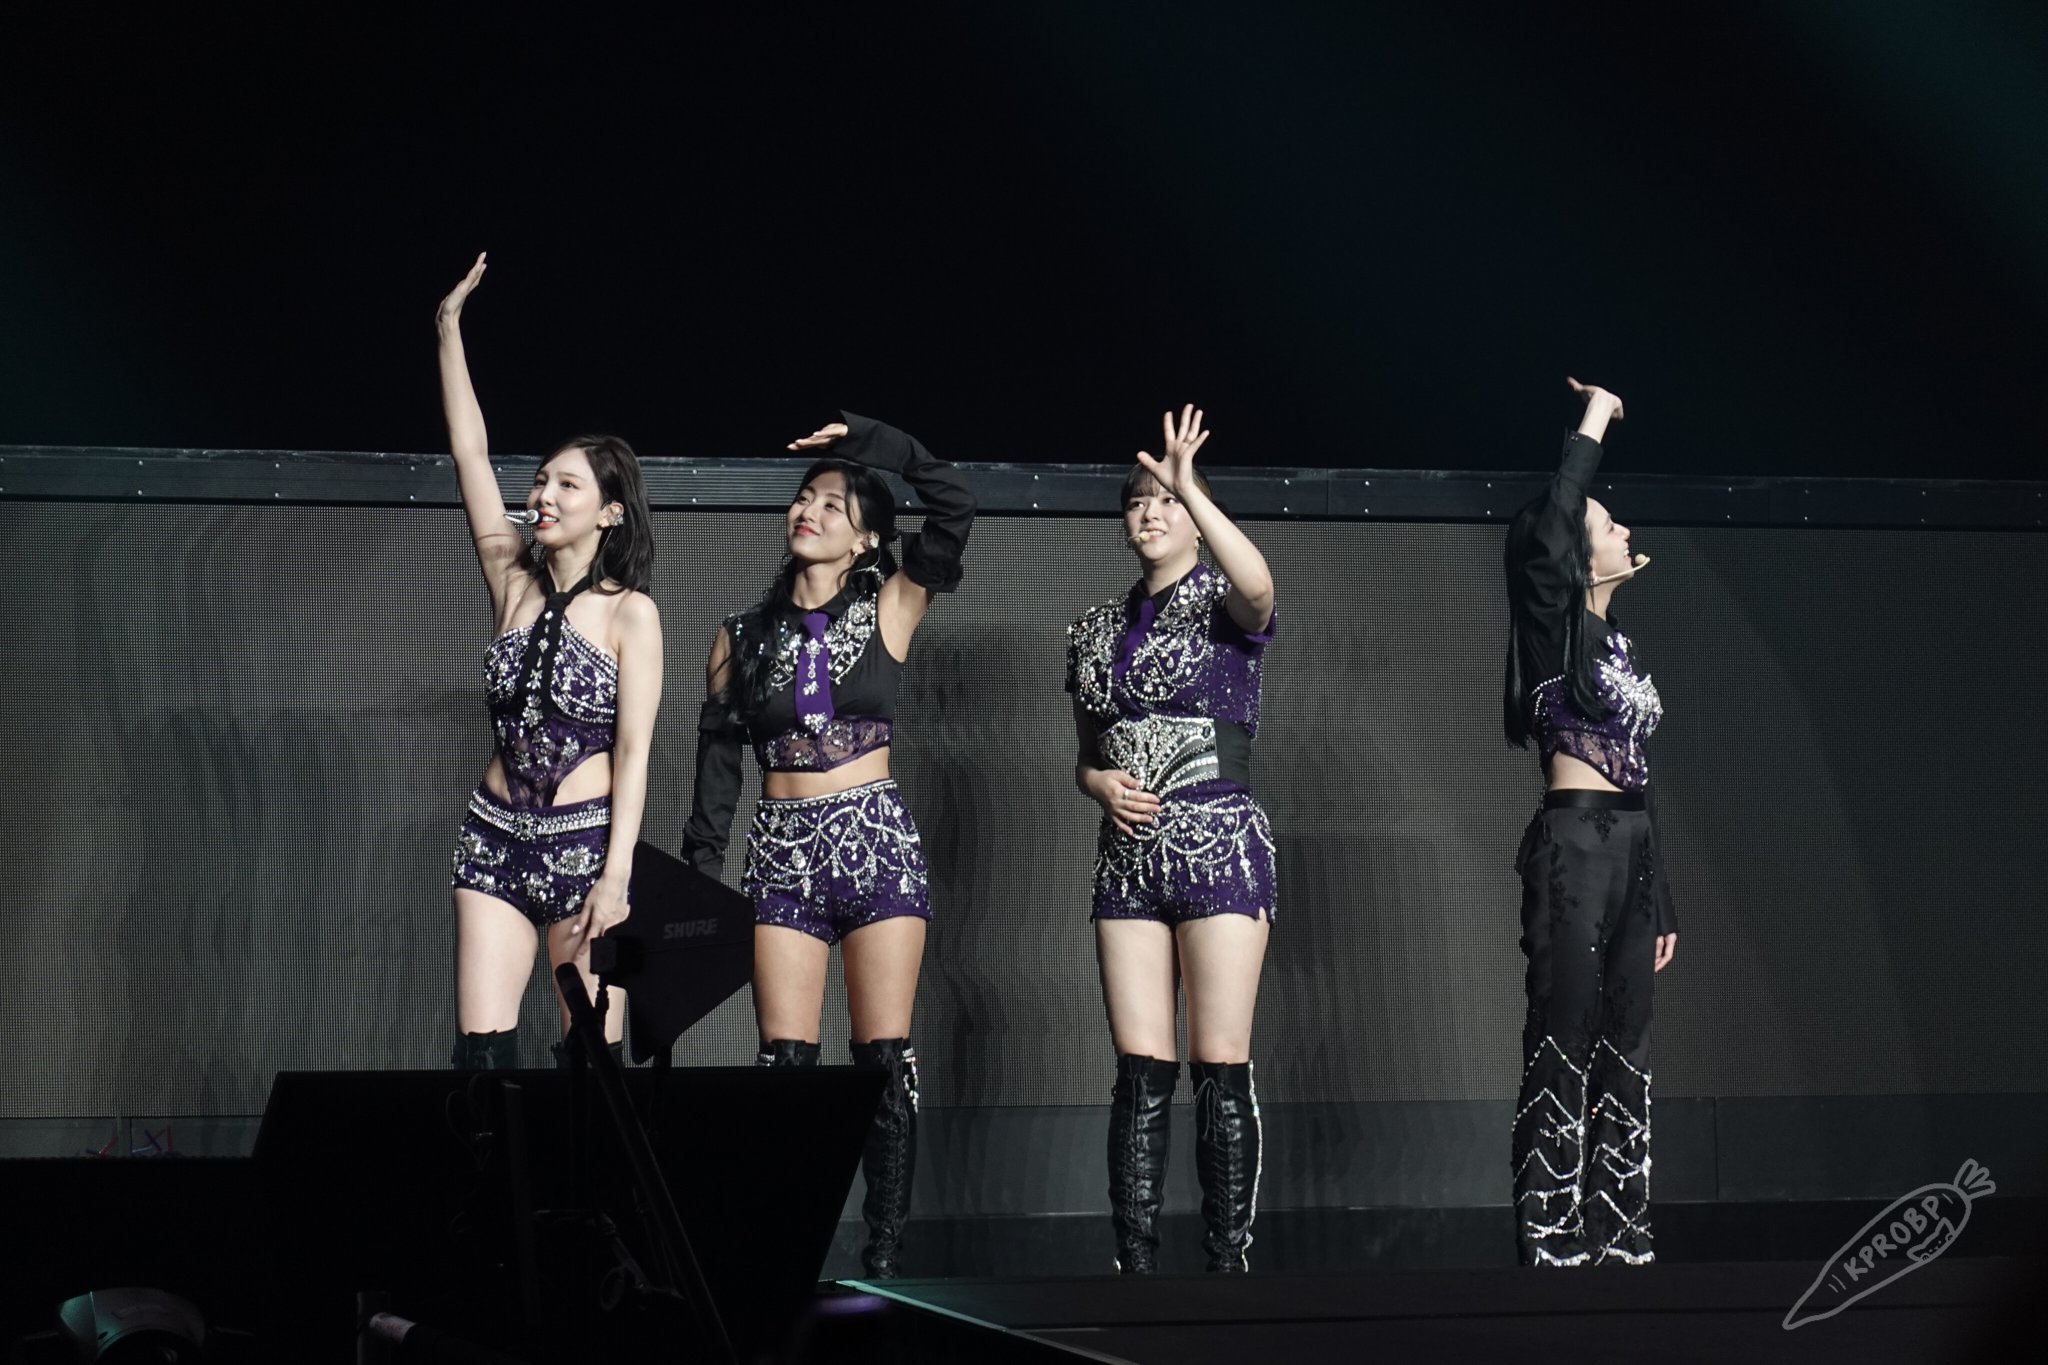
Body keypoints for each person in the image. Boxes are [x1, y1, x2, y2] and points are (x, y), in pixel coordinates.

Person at [681, 414, 974, 1278]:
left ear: (867, 537)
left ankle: (884, 1259)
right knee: (785, 1066)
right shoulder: (739, 635)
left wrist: (872, 443)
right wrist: (700, 881)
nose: (809, 509)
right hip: (783, 853)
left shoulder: (893, 603)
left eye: (833, 504)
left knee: (882, 1058)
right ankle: (787, 1258)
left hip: (873, 842)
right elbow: (716, 772)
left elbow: (955, 506)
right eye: (805, 498)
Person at [437, 253, 663, 1070]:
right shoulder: (512, 580)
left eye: (567, 485)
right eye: (540, 481)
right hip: (494, 838)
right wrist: (448, 328)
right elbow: (470, 453)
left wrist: (617, 875)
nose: (544, 495)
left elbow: (634, 753)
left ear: (608, 512)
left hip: (585, 847)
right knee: (482, 1062)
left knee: (592, 1068)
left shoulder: (631, 614)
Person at [1066, 406, 1278, 1274]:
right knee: (1139, 1068)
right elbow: (1088, 754)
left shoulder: (1223, 604)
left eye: (1166, 500)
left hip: (1218, 846)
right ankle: (1137, 1270)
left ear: (1195, 517)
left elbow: (1260, 587)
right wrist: (1098, 784)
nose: (1149, 511)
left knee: (1218, 1064)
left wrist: (1193, 484)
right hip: (1128, 860)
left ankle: (1226, 1269)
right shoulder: (1093, 628)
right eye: (1137, 500)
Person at [1502, 377, 1680, 1266]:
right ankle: (1551, 1232)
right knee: (1565, 1027)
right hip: (1573, 847)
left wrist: (1663, 895)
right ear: (1573, 549)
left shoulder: (1620, 646)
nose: (1622, 530)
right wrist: (1599, 414)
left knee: (1629, 1035)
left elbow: (1639, 771)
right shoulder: (1551, 627)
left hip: (1632, 850)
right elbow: (1553, 520)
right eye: (1606, 523)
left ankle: (1621, 1229)